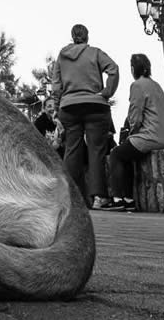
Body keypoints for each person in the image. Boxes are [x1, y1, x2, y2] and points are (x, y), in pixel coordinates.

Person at [51, 22, 119, 210]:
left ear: (72, 37)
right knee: (96, 150)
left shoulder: (62, 57)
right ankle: (99, 198)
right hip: (95, 105)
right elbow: (113, 69)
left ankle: (70, 198)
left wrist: (57, 107)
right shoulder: (95, 53)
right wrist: (106, 92)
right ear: (87, 37)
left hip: (69, 107)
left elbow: (56, 85)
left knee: (72, 149)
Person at [104, 52, 164, 211]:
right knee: (126, 155)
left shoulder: (137, 85)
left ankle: (118, 199)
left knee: (116, 153)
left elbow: (135, 118)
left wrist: (130, 133)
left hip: (151, 136)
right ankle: (129, 200)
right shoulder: (156, 85)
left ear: (132, 69)